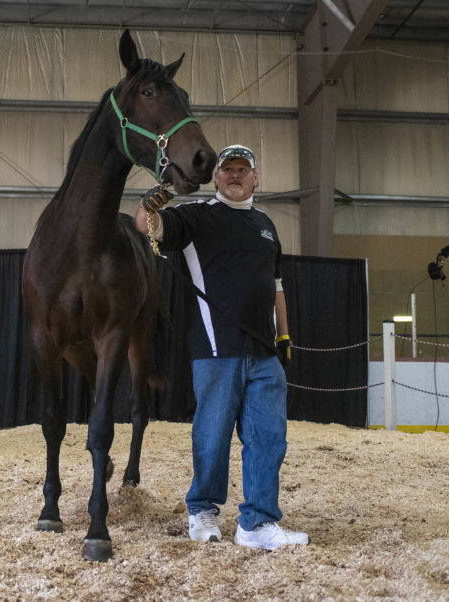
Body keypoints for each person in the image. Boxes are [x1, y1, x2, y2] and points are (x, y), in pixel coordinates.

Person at [134, 144, 307, 551]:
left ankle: (257, 525)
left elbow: (277, 284)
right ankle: (202, 510)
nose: (234, 175)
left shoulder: (267, 225)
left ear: (255, 177)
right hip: (215, 349)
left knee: (268, 438)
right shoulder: (196, 216)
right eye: (227, 169)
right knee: (212, 437)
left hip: (265, 353)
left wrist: (284, 334)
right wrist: (157, 197)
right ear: (216, 178)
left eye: (242, 169)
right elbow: (147, 225)